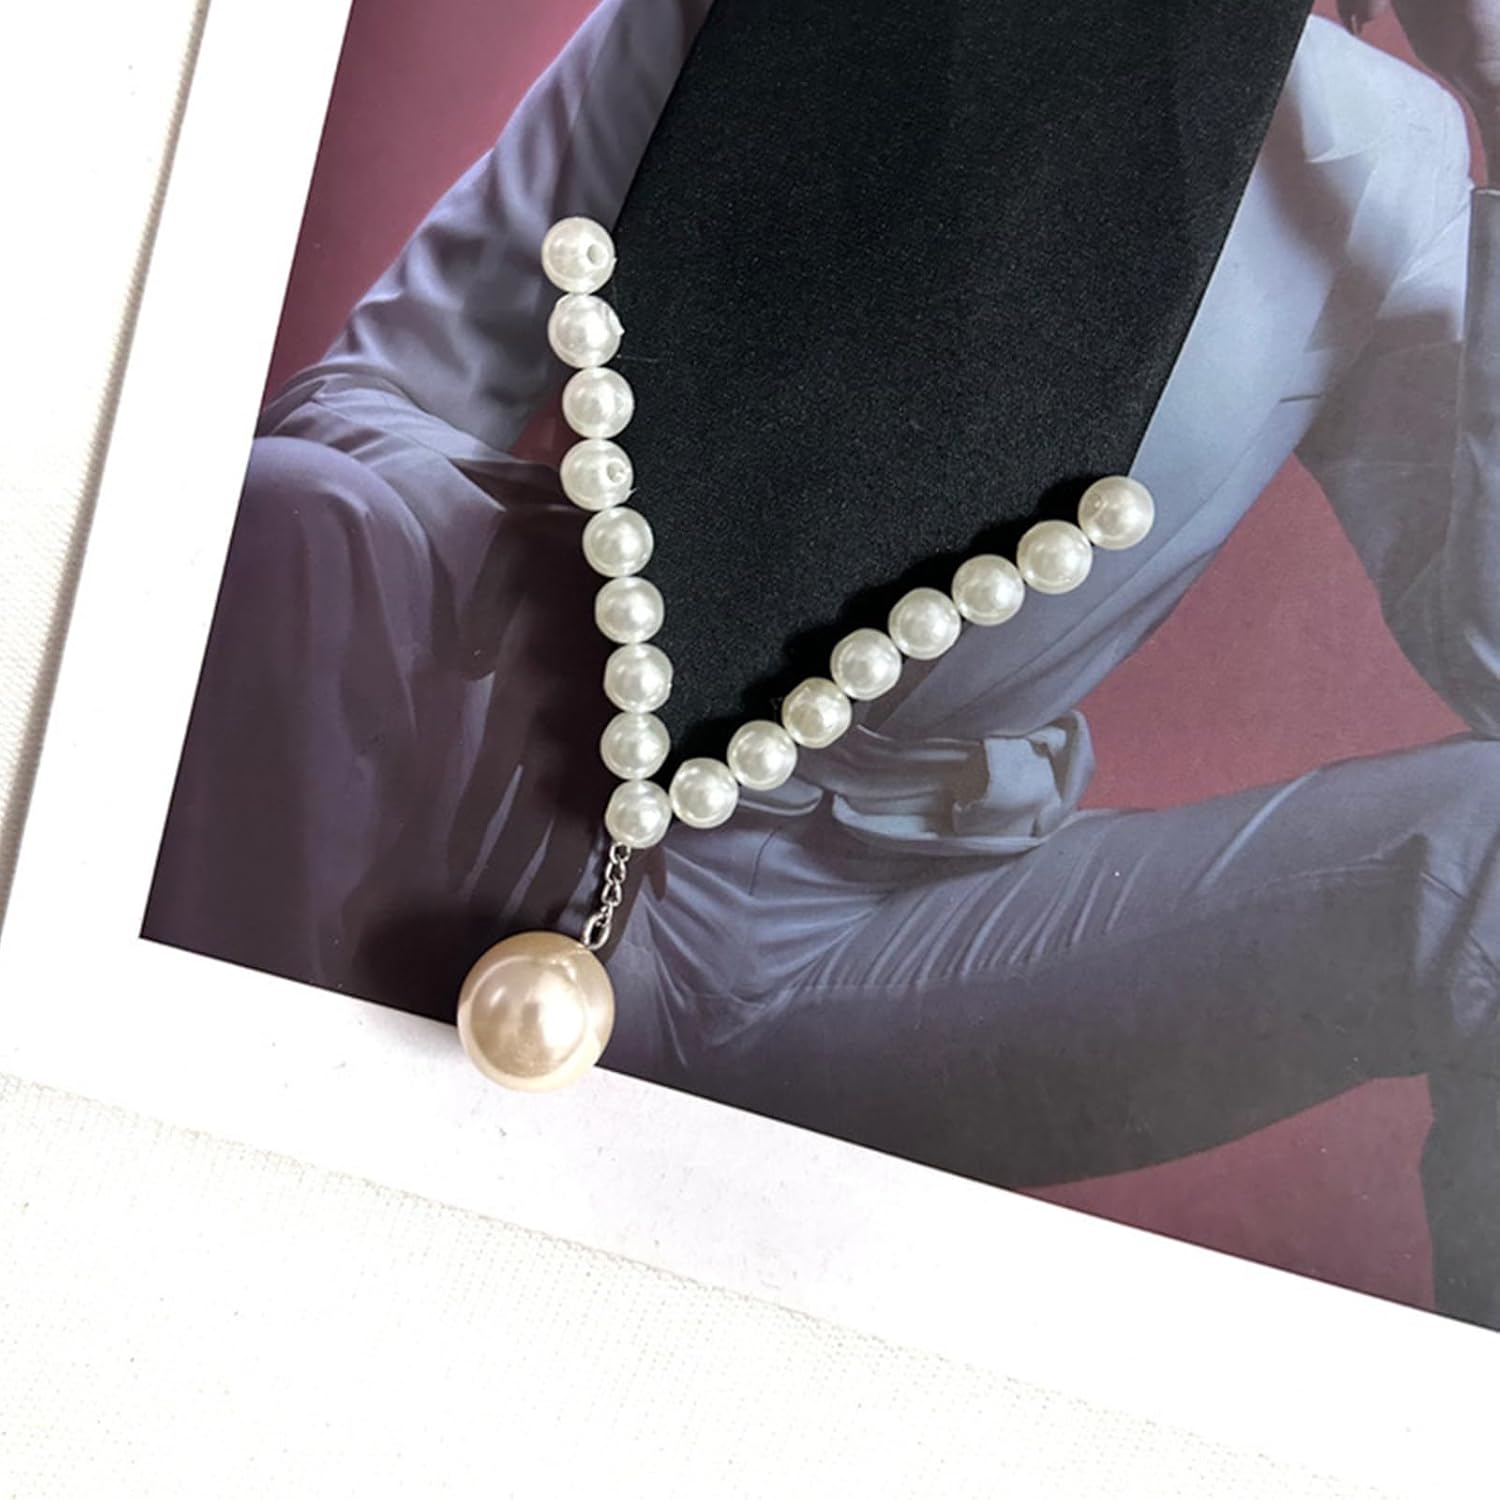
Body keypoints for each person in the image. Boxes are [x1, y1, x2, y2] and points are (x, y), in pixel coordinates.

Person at [146, 1, 1500, 1326]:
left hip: (887, 940)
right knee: (291, 508)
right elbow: (368, 400)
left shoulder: (1383, 157)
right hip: (529, 797)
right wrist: (564, 597)